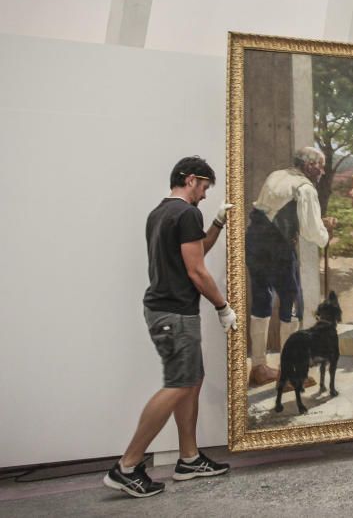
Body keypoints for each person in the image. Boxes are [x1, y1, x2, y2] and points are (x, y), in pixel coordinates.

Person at [104, 156, 237, 498]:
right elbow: (197, 271)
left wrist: (218, 223)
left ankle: (189, 458)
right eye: (205, 187)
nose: (206, 195)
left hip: (166, 311)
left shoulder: (161, 213)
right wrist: (223, 307)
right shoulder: (186, 212)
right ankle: (127, 466)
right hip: (174, 313)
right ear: (190, 179)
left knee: (191, 381)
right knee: (179, 384)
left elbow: (194, 253)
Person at [245, 147, 336, 386]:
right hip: (278, 247)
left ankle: (259, 366)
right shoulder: (305, 188)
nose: (322, 171)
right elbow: (311, 232)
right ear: (309, 166)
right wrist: (326, 233)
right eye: (320, 166)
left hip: (254, 239)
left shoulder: (277, 175)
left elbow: (278, 211)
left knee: (261, 300)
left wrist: (315, 224)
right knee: (293, 303)